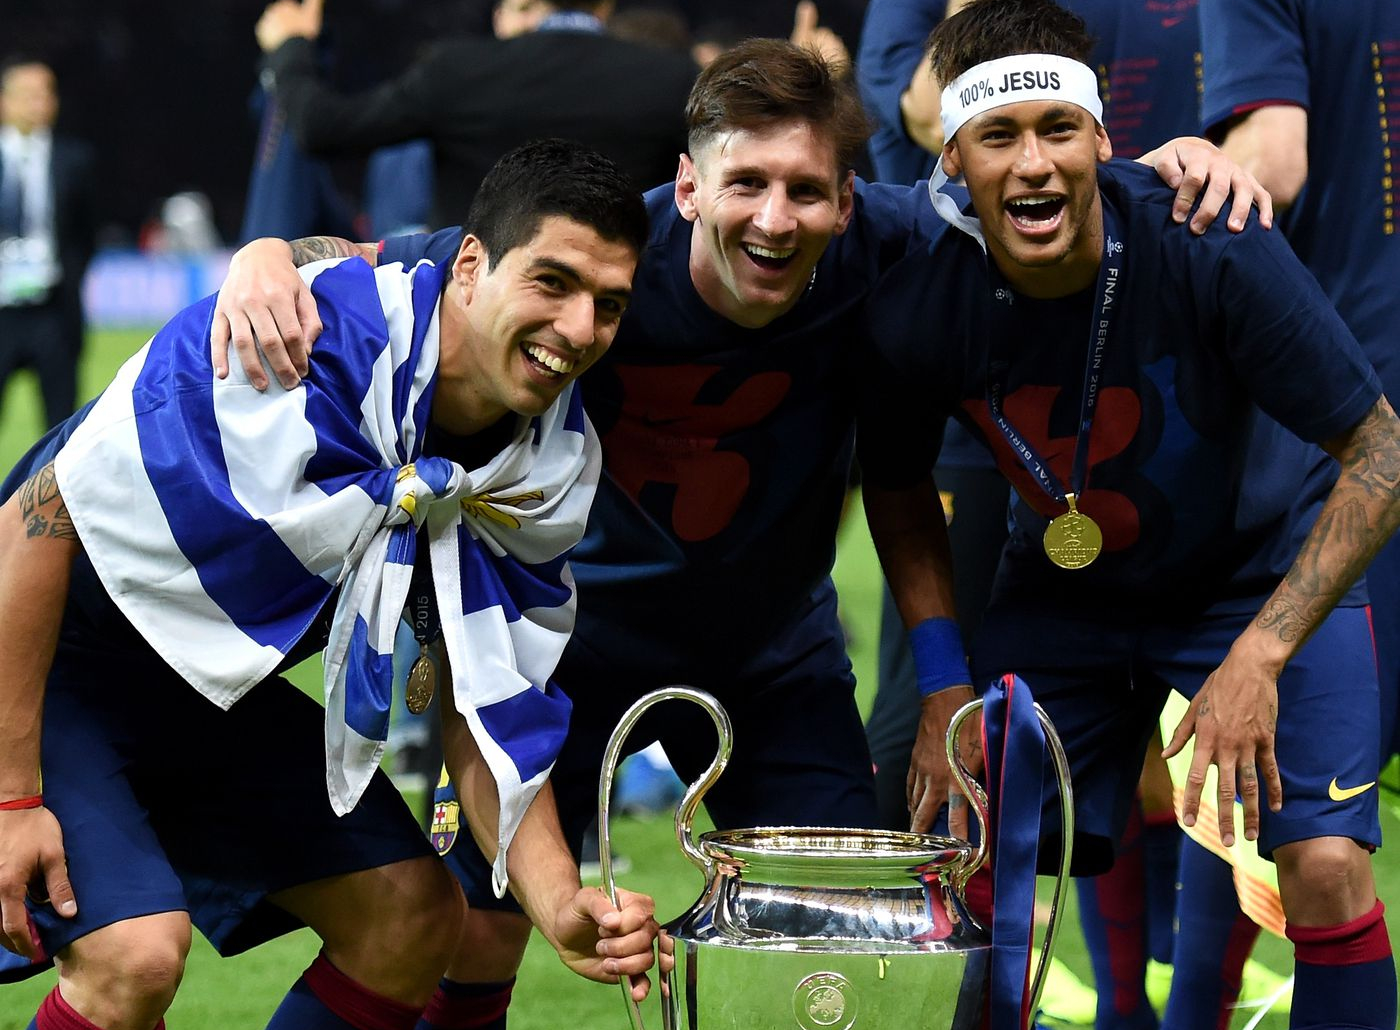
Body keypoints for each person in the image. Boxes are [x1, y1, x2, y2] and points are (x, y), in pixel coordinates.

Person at [214, 37, 1266, 1028]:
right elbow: (370, 259)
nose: (775, 216)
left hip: (772, 656)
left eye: (805, 189)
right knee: (478, 930)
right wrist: (265, 255)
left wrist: (1152, 172)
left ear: (846, 203)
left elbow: (1011, 231)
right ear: (685, 187)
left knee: (847, 943)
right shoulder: (599, 265)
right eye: (746, 183)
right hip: (564, 648)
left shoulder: (887, 249)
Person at [0, 139, 660, 1030]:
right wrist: (12, 795)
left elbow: (486, 692)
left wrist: (559, 907)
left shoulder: (544, 464)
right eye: (552, 282)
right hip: (47, 663)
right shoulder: (292, 340)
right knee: (135, 956)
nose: (580, 330)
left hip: (206, 693)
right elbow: (35, 520)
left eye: (608, 305)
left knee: (414, 916)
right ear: (470, 265)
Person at [858, 3, 1400, 1030]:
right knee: (983, 847)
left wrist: (1261, 653)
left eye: (1058, 130)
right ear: (952, 161)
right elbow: (892, 482)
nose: (1032, 166)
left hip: (1255, 571)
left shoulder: (1208, 234)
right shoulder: (915, 287)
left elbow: (1379, 449)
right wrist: (938, 681)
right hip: (1068, 594)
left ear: (1103, 140)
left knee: (1324, 864)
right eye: (998, 137)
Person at [1190, 3, 1400, 1027]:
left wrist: (1166, 174)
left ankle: (1183, 1011)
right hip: (1357, 426)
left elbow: (1268, 159)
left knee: (1282, 802)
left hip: (1351, 426)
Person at [253, 0, 697, 232]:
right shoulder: (674, 79)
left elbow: (321, 127)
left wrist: (291, 47)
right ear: (604, 5)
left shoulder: (456, 70)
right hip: (622, 328)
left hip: (476, 326)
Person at [0, 56, 96, 432]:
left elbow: (86, 234)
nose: (39, 103)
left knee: (61, 431)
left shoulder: (75, 160)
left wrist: (67, 281)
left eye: (45, 94)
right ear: (5, 101)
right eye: (28, 95)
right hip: (1, 312)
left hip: (53, 312)